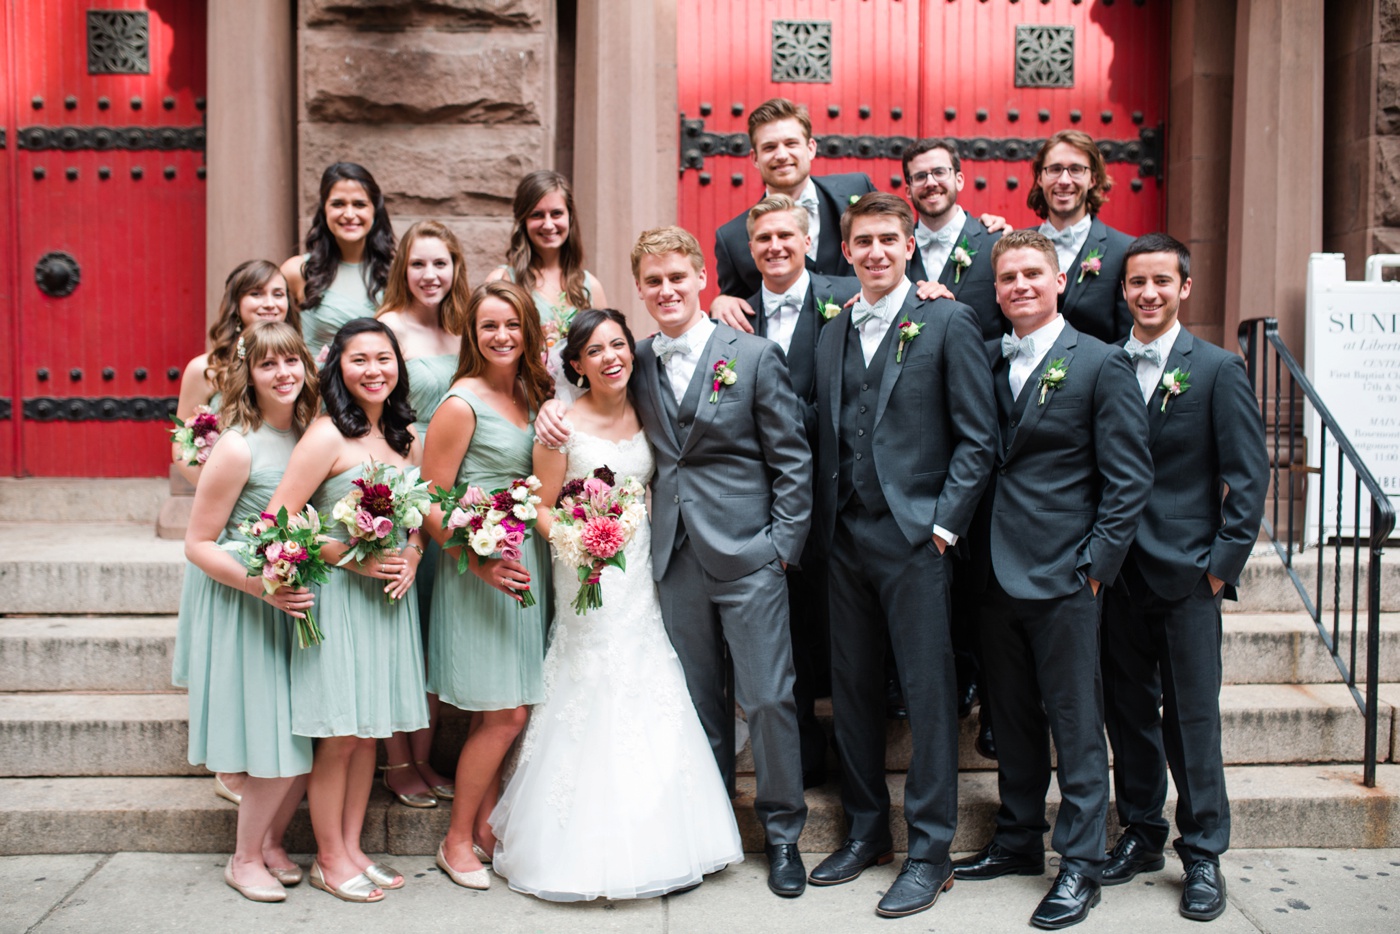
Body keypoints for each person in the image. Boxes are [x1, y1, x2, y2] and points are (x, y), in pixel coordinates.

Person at [536, 226, 812, 899]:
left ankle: (782, 836)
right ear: (640, 290)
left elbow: (793, 461)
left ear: (700, 280)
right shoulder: (638, 360)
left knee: (769, 697)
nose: (666, 291)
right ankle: (706, 830)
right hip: (670, 559)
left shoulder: (751, 355)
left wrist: (781, 548)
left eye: (677, 278)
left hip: (750, 555)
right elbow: (594, 413)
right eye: (652, 282)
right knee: (695, 701)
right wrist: (551, 410)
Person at [490, 308, 744, 900]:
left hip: (642, 575)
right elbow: (541, 506)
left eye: (618, 345)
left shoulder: (648, 405)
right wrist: (580, 542)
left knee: (650, 674)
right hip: (585, 573)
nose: (611, 358)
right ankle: (581, 848)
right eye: (595, 351)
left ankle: (667, 835)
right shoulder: (559, 428)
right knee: (591, 681)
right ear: (575, 365)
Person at [804, 193, 998, 918]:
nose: (877, 251)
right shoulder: (833, 332)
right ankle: (865, 833)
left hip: (918, 540)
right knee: (852, 691)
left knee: (926, 694)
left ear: (910, 247)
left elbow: (979, 438)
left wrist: (944, 528)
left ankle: (929, 850)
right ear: (846, 251)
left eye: (890, 239)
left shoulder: (947, 319)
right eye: (864, 241)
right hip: (846, 538)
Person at [953, 230, 1152, 931]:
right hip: (991, 573)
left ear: (1060, 279)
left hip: (1067, 576)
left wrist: (1095, 570)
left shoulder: (1101, 364)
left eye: (1032, 274)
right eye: (1006, 278)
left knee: (1073, 718)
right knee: (1009, 718)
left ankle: (1081, 866)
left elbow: (1129, 481)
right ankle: (1015, 842)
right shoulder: (981, 358)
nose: (1018, 287)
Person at [1100, 233, 1267, 922]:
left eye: (1161, 282)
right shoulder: (1104, 365)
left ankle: (1202, 852)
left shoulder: (1218, 369)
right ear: (1124, 288)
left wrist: (1217, 572)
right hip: (1115, 579)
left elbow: (1248, 484)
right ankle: (1142, 834)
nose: (1147, 293)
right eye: (1137, 282)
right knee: (1129, 715)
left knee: (1192, 720)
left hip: (1189, 578)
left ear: (1184, 288)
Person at [267, 318, 430, 903]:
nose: (373, 370)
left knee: (368, 733)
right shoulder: (326, 436)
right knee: (339, 735)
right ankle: (329, 857)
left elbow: (419, 523)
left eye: (383, 358)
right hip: (338, 601)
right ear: (338, 367)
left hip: (387, 604)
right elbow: (278, 524)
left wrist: (411, 554)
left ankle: (354, 846)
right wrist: (351, 559)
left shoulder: (408, 436)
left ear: (398, 365)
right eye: (359, 359)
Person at [422, 280, 554, 891]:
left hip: (528, 564)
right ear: (472, 336)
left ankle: (483, 829)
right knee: (503, 712)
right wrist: (478, 561)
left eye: (511, 325)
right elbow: (429, 499)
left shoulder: (533, 392)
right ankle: (454, 841)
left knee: (507, 709)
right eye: (488, 327)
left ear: (528, 329)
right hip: (479, 570)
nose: (501, 336)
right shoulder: (461, 402)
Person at [183, 321, 319, 902]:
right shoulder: (237, 445)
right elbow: (198, 542)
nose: (284, 373)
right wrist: (263, 584)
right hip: (250, 600)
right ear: (249, 374)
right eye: (268, 365)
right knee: (274, 740)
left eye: (292, 361)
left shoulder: (312, 434)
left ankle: (268, 843)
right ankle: (242, 859)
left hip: (295, 597)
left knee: (302, 735)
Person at [171, 259, 300, 807]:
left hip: (276, 518)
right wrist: (220, 488)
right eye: (256, 295)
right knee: (226, 655)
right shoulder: (206, 367)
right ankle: (228, 758)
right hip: (226, 517)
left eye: (278, 293)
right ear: (235, 302)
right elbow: (184, 444)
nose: (270, 303)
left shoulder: (291, 363)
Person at [743, 193, 860, 786]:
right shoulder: (734, 317)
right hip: (761, 501)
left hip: (839, 495)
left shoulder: (846, 298)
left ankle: (851, 748)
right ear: (750, 248)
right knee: (781, 629)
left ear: (809, 241)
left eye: (786, 236)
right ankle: (801, 751)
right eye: (763, 238)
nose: (775, 247)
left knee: (839, 626)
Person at [902, 137, 1005, 756]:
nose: (931, 182)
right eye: (919, 176)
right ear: (908, 187)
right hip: (914, 443)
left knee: (985, 578)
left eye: (940, 172)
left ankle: (993, 703)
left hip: (979, 431)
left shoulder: (997, 245)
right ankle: (938, 685)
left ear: (961, 178)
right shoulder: (896, 247)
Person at [375, 220, 468, 809]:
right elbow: (374, 404)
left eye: (441, 264)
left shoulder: (463, 327)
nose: (430, 276)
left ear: (456, 267)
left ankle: (427, 757)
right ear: (402, 268)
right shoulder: (388, 327)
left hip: (455, 487)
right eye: (419, 264)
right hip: (408, 484)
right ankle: (396, 763)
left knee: (433, 630)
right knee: (399, 629)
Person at [711, 98, 875, 330]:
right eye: (769, 147)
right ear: (755, 158)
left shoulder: (857, 189)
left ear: (810, 148)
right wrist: (721, 300)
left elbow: (896, 250)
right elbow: (738, 304)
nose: (781, 155)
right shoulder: (733, 238)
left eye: (791, 143)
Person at [486, 170, 609, 398]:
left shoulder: (590, 286)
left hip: (576, 407)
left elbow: (603, 354)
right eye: (537, 215)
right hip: (520, 401)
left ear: (570, 217)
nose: (548, 224)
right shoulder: (502, 280)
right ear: (523, 220)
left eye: (556, 213)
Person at [1026, 130, 1133, 345]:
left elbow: (1127, 339)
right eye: (1054, 170)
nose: (1064, 180)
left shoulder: (1124, 250)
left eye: (1076, 170)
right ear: (1040, 178)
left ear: (1093, 179)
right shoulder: (1014, 247)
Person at [282, 162, 396, 361]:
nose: (349, 214)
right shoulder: (297, 271)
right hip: (316, 389)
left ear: (374, 211)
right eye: (338, 204)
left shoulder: (395, 274)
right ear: (324, 209)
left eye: (359, 204)